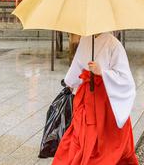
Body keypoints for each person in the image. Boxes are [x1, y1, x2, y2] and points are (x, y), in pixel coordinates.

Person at [53, 32, 139, 165]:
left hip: (106, 98)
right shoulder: (86, 40)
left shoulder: (113, 44)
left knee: (100, 135)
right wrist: (70, 83)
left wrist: (102, 72)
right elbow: (77, 65)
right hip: (87, 96)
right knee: (83, 133)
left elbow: (125, 78)